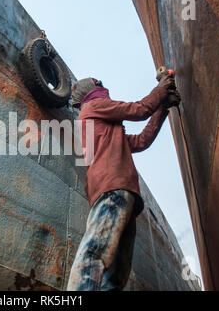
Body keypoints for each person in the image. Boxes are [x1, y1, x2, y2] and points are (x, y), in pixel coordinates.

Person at [67, 75, 179, 291]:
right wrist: (162, 88)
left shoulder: (107, 129)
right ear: (89, 90)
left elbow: (141, 141)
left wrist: (162, 108)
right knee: (95, 253)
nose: (101, 84)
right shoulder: (93, 106)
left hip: (122, 194)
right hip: (113, 190)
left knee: (116, 274)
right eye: (96, 82)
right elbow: (139, 109)